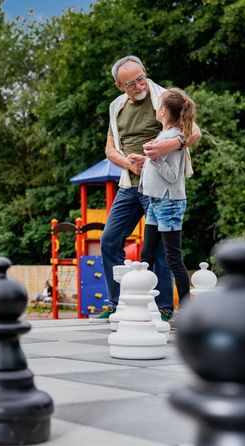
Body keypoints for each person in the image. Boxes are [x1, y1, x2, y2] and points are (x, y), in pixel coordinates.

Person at [94, 55, 201, 323]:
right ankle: (117, 303)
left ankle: (165, 308)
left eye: (141, 78)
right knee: (109, 240)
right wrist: (128, 161)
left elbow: (194, 132)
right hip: (130, 184)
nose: (139, 85)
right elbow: (109, 149)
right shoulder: (116, 107)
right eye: (131, 83)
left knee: (163, 250)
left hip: (159, 189)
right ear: (120, 86)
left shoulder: (164, 97)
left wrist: (169, 146)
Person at [140, 88, 196, 327]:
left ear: (163, 110)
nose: (155, 108)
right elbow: (157, 168)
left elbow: (172, 175)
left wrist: (155, 158)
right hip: (155, 200)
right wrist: (142, 161)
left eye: (157, 105)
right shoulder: (165, 135)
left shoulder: (172, 138)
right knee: (146, 256)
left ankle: (186, 311)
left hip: (169, 202)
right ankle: (142, 305)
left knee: (173, 257)